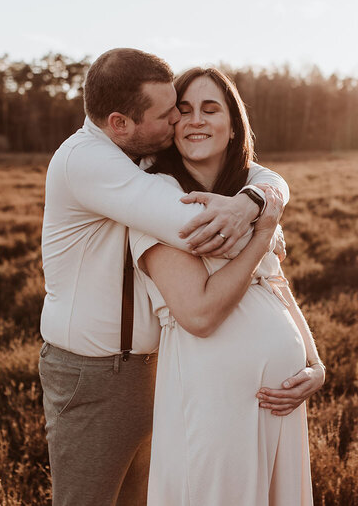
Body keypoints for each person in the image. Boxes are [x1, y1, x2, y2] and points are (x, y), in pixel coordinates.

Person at [38, 49, 294, 506]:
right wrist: (262, 228)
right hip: (96, 374)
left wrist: (254, 198)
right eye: (167, 113)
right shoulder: (89, 163)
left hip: (153, 367)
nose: (179, 119)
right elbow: (197, 229)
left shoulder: (141, 157)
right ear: (120, 123)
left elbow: (265, 174)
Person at [130, 67, 325, 506]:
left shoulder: (248, 192)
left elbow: (275, 282)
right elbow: (198, 314)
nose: (196, 119)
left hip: (280, 403)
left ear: (233, 125)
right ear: (170, 124)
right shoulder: (157, 201)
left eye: (210, 108)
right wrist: (262, 233)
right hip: (212, 399)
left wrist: (314, 363)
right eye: (184, 110)